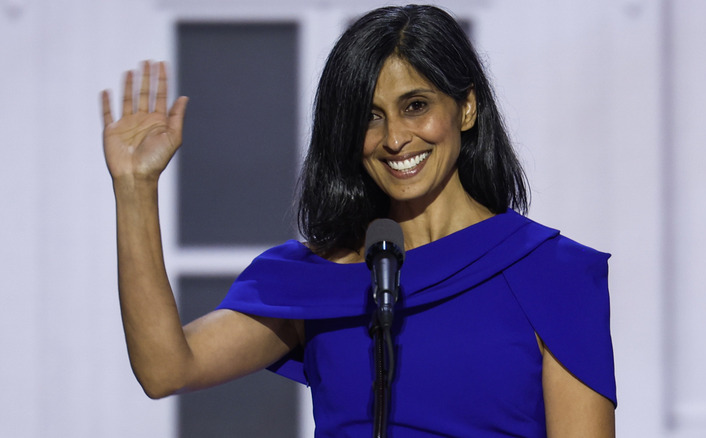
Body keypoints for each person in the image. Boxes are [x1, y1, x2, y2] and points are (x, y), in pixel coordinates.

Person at [101, 4, 616, 437]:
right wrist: (135, 187)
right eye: (370, 116)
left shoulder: (552, 272)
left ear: (466, 108)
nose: (395, 138)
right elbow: (166, 368)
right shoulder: (315, 278)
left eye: (415, 106)